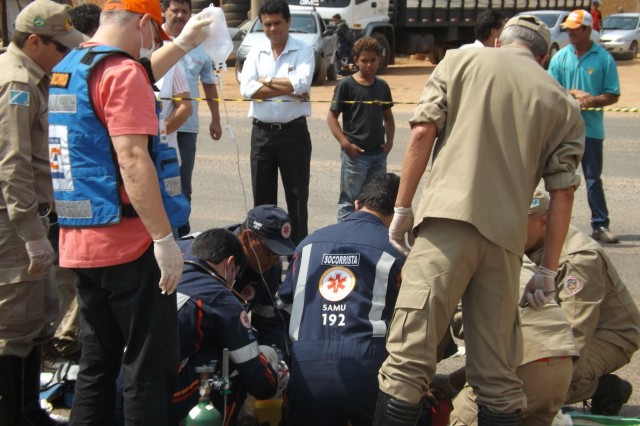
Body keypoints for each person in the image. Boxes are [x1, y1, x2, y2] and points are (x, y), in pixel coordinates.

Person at [374, 15, 585, 425]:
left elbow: (421, 133)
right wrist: (546, 269)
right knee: (497, 376)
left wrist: (401, 208)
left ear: (500, 42)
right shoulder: (562, 103)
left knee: (407, 363)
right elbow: (564, 192)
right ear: (542, 58)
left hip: (445, 228)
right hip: (506, 242)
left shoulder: (458, 62)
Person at [47, 0, 212, 422]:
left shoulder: (72, 66)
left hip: (80, 239)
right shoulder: (121, 74)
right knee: (147, 367)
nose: (152, 43)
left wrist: (184, 43)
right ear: (142, 24)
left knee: (97, 362)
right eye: (154, 34)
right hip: (129, 243)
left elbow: (133, 76)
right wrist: (163, 240)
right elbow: (133, 160)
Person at [0, 1, 85, 424]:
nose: (65, 55)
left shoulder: (34, 77)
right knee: (13, 326)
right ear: (34, 41)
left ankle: (29, 408)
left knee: (37, 319)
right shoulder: (16, 82)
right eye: (59, 47)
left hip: (33, 216)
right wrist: (31, 233)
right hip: (14, 223)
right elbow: (13, 165)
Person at [278, 173, 406, 425]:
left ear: (357, 204)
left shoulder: (307, 245)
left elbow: (283, 305)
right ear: (396, 214)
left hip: (306, 369)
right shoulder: (396, 251)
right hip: (368, 369)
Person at [525, 189, 640, 416]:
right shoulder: (531, 242)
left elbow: (575, 333)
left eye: (517, 225)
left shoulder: (578, 258)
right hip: (560, 325)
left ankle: (606, 389)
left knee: (543, 381)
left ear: (544, 221)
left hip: (608, 333)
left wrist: (550, 385)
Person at [170, 229, 280, 424]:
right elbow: (262, 383)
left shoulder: (169, 261)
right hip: (158, 396)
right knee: (234, 360)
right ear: (230, 264)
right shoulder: (221, 299)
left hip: (119, 386)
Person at [239, 0, 315, 245]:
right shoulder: (256, 51)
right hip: (262, 135)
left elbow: (302, 85)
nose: (273, 29)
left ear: (288, 22)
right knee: (262, 202)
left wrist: (265, 80)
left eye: (278, 23)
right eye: (267, 24)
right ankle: (264, 254)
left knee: (297, 198)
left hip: (294, 134)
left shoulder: (304, 49)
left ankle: (298, 253)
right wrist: (287, 86)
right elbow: (247, 90)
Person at [548, 9, 621, 244]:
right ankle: (549, 226)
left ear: (588, 30)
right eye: (567, 29)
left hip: (591, 131)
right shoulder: (560, 58)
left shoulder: (603, 59)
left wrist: (592, 100)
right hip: (563, 131)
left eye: (575, 29)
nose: (570, 33)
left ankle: (600, 225)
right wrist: (574, 93)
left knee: (592, 179)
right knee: (557, 179)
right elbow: (550, 89)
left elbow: (613, 95)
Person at [162, 0, 223, 237]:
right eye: (174, 10)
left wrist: (216, 119)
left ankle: (182, 236)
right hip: (157, 127)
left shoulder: (200, 47)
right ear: (163, 12)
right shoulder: (155, 42)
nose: (179, 15)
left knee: (182, 185)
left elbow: (209, 86)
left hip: (187, 127)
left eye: (184, 11)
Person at [328, 37, 395, 222]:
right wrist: (345, 143)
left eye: (372, 60)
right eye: (364, 60)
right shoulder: (346, 85)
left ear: (379, 60)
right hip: (355, 155)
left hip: (377, 155)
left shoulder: (382, 86)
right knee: (349, 202)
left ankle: (368, 238)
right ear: (356, 60)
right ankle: (344, 240)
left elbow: (388, 118)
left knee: (376, 201)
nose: (368, 65)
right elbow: (331, 117)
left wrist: (389, 143)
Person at [225, 205, 297, 356]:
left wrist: (280, 361)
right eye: (270, 252)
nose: (274, 260)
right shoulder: (216, 258)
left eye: (279, 254)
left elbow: (269, 325)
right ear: (247, 238)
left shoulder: (270, 268)